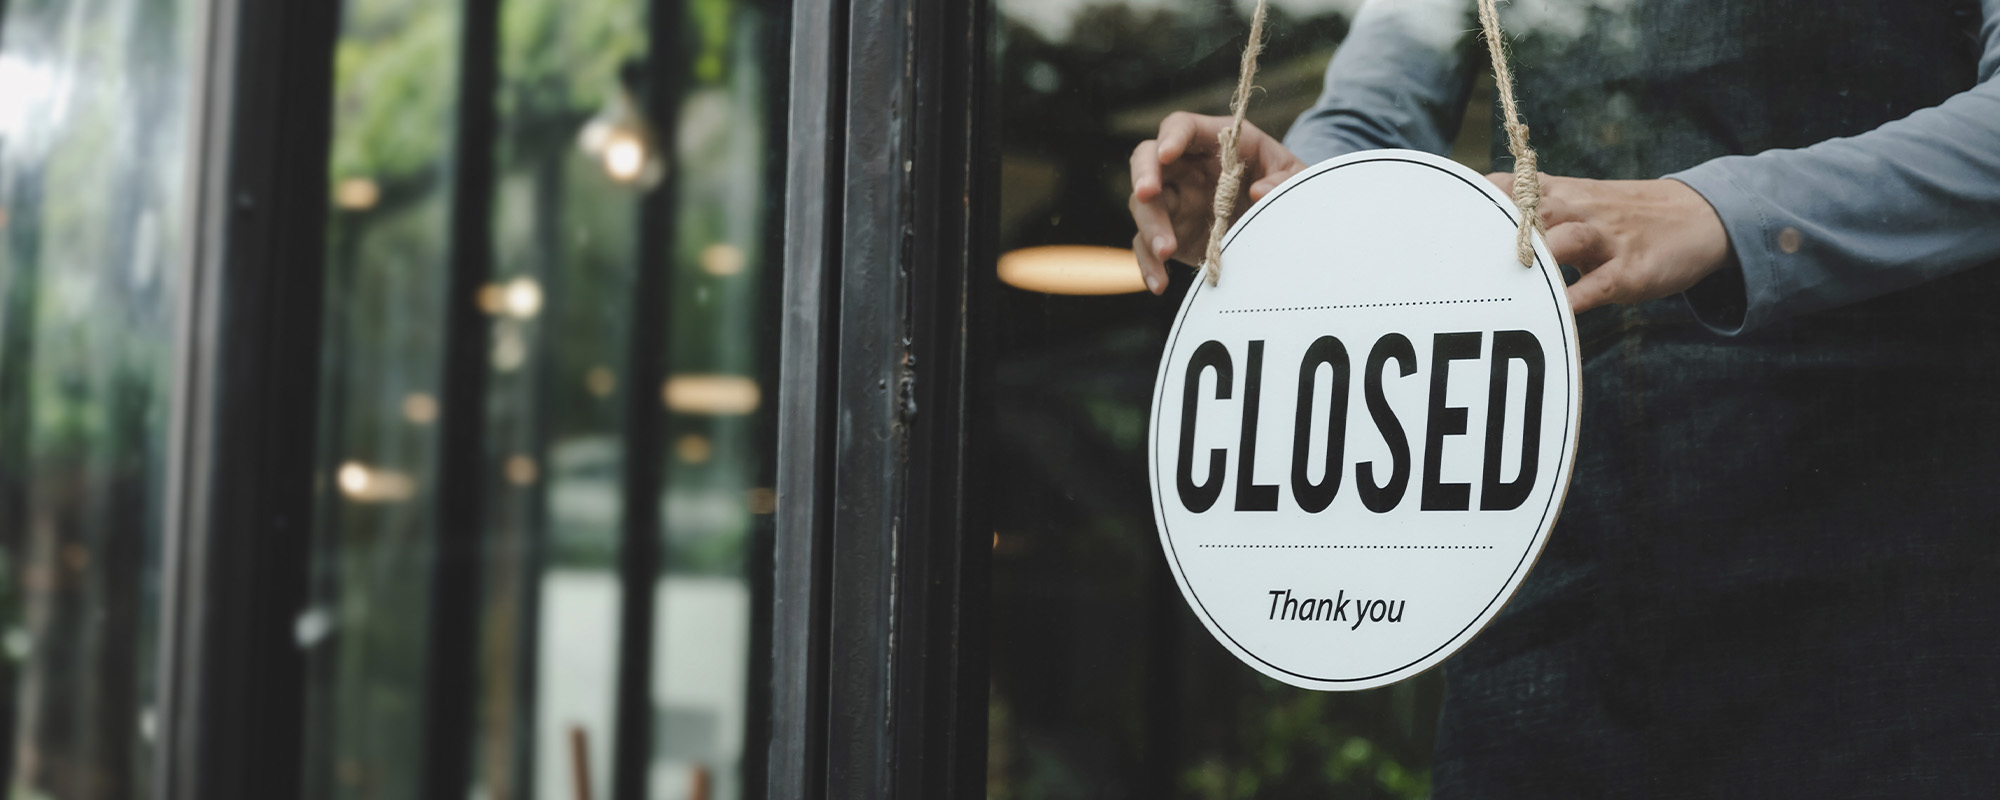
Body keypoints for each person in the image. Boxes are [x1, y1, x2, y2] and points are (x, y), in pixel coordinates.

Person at [1131, 0, 2000, 795]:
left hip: (1882, 548)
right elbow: (1376, 110)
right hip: (1548, 566)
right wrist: (1294, 203)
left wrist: (1721, 211)